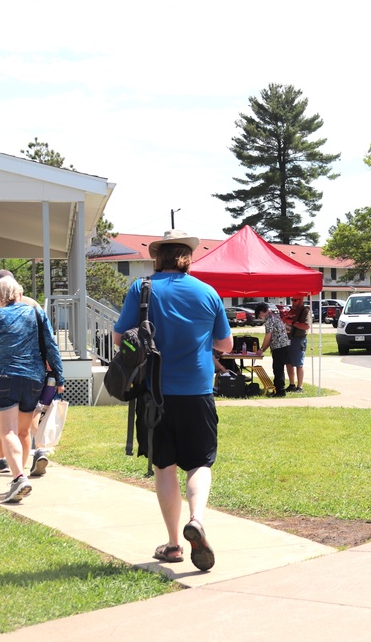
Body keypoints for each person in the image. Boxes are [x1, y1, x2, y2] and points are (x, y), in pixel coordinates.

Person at [113, 229, 232, 572]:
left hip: (156, 394)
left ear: (157, 257)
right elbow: (224, 346)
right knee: (200, 463)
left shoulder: (142, 288)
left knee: (164, 466)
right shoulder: (208, 292)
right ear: (188, 258)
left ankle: (174, 545)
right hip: (198, 392)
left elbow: (120, 336)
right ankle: (197, 519)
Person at [0, 275, 65, 503]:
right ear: (19, 294)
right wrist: (59, 376)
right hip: (32, 380)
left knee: (6, 432)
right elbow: (51, 345)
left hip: (2, 378)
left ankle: (18, 477)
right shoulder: (37, 314)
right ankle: (22, 472)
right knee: (22, 431)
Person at [255, 302, 289, 397]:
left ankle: (280, 391)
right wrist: (263, 350)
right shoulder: (275, 316)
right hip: (282, 345)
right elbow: (270, 339)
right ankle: (277, 388)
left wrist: (261, 349)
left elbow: (268, 336)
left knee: (278, 369)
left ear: (262, 312)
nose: (260, 317)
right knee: (278, 369)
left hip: (279, 346)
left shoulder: (269, 320)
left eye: (259, 315)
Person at [283, 295, 311, 393]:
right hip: (288, 339)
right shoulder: (291, 311)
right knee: (288, 362)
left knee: (299, 363)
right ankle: (292, 384)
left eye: (295, 300)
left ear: (301, 300)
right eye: (292, 300)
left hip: (298, 340)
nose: (293, 302)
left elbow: (306, 326)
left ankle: (300, 387)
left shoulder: (305, 311)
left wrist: (293, 323)